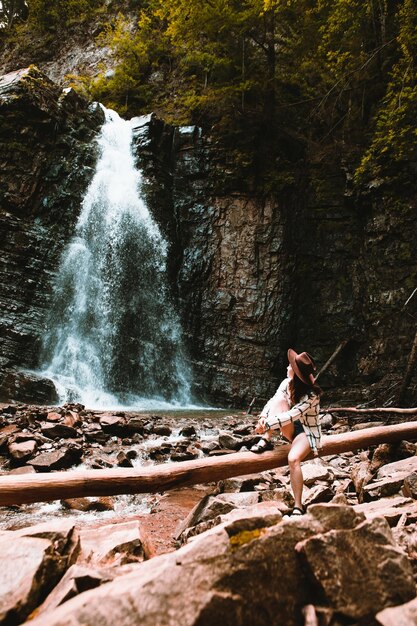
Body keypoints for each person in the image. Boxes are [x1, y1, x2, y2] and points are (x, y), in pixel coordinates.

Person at [251, 349, 323, 516]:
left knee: (293, 459)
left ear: (297, 374)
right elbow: (273, 401)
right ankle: (266, 439)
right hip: (289, 426)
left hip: (306, 432)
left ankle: (298, 505)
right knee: (279, 400)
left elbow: (293, 415)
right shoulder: (287, 383)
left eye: (290, 365)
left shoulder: (312, 395)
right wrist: (263, 418)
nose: (287, 366)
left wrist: (268, 423)